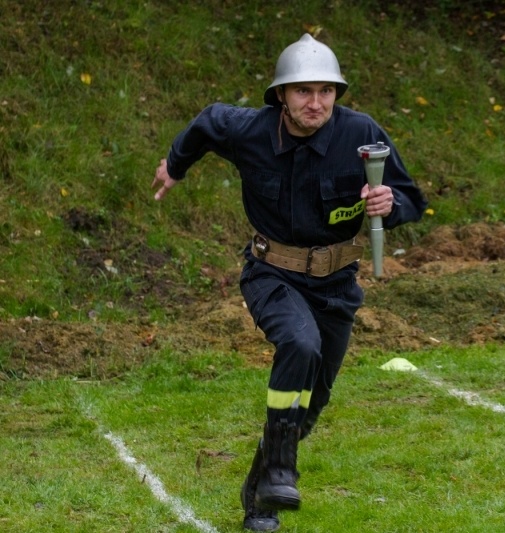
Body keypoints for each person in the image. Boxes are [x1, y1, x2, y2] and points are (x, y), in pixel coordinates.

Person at [151, 34, 427, 532]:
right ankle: (279, 477)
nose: (315, 102)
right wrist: (175, 164)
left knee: (313, 401)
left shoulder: (361, 133)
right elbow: (207, 122)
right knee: (300, 343)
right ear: (280, 94)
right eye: (303, 91)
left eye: (326, 91)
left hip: (337, 284)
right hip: (271, 272)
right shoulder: (249, 130)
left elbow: (411, 198)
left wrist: (391, 204)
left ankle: (260, 484)